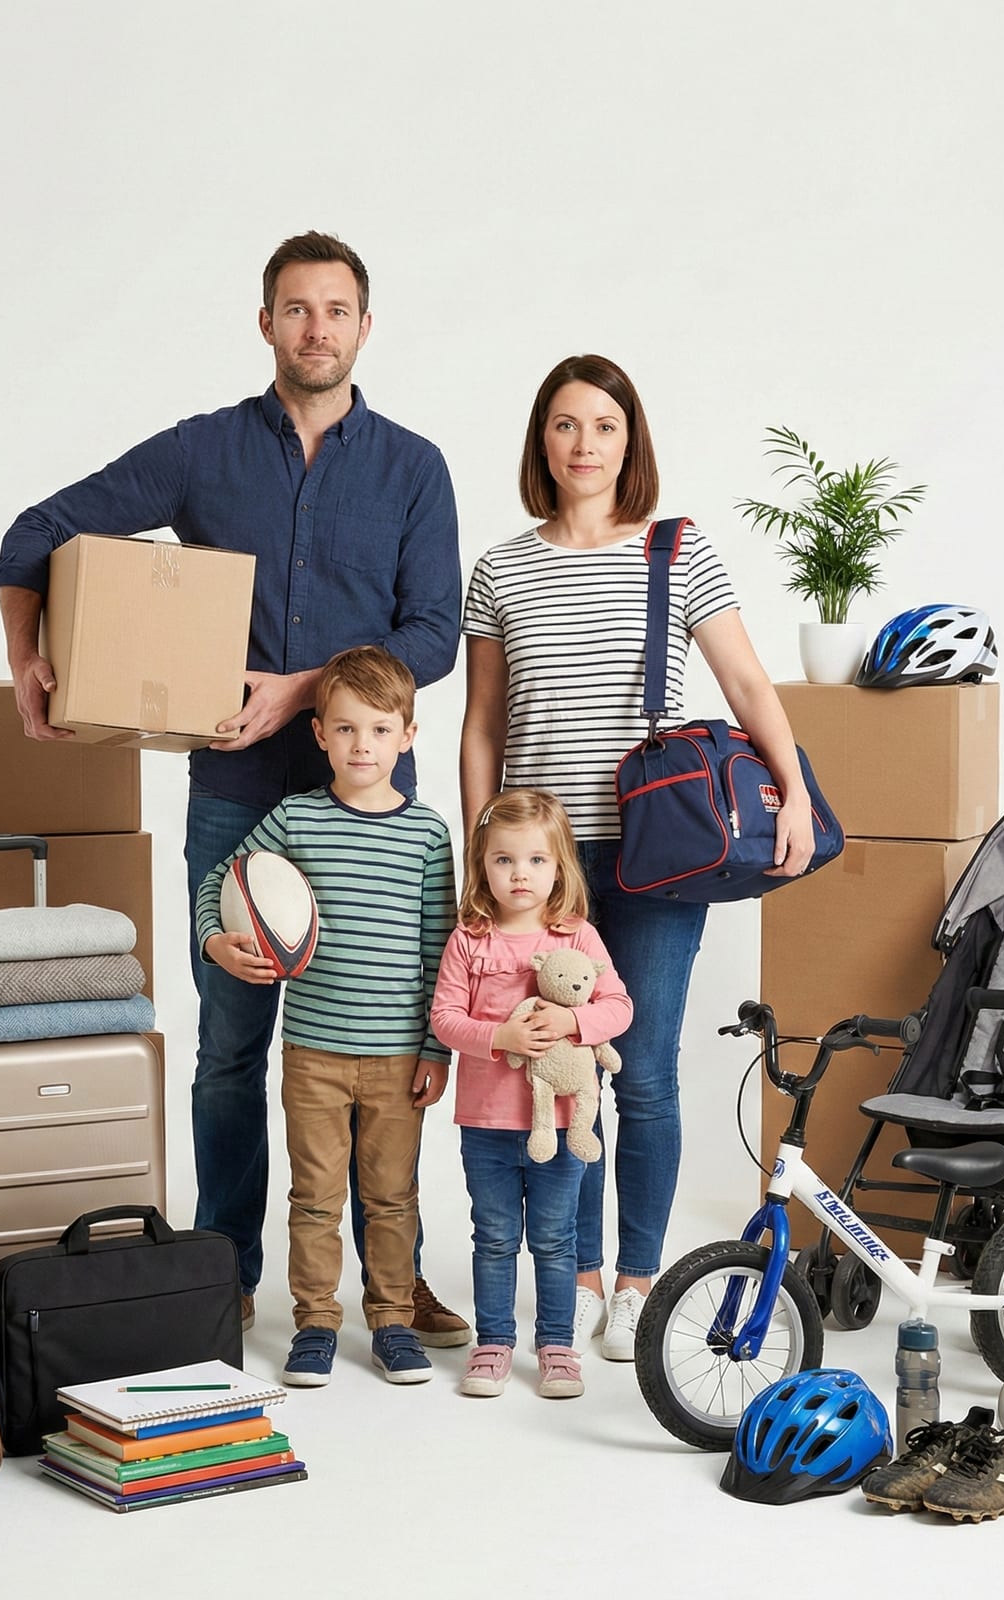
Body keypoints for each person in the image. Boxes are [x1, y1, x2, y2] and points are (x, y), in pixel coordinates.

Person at [0, 231, 469, 1342]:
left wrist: (306, 689)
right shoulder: (204, 452)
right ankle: (227, 1271)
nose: (316, 328)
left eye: (337, 309)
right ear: (266, 324)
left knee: (382, 1045)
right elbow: (34, 534)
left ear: (364, 325)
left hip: (374, 805)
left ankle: (389, 1281)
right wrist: (31, 658)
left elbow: (433, 632)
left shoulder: (414, 468)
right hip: (238, 798)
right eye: (296, 309)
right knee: (233, 1045)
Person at [459, 353, 814, 1360]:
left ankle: (636, 1280)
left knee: (643, 1068)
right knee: (561, 1071)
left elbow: (744, 681)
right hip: (537, 868)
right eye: (564, 425)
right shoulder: (500, 568)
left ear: (630, 439)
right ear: (542, 441)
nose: (583, 444)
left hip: (657, 855)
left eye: (603, 426)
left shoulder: (676, 549)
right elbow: (482, 724)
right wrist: (479, 859)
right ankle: (570, 1275)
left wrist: (790, 787)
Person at [195, 647, 456, 1386]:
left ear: (408, 735)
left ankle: (394, 1320)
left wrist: (437, 1050)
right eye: (345, 730)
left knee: (392, 1195)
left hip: (400, 1058)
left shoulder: (428, 835)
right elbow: (224, 875)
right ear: (318, 735)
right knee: (314, 1197)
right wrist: (216, 938)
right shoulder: (296, 819)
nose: (361, 746)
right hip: (312, 1052)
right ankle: (315, 1322)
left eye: (379, 730)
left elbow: (442, 951)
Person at [429, 789, 632, 1400]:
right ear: (482, 865)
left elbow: (619, 1007)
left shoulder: (580, 939)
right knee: (492, 1236)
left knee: (554, 1238)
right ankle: (492, 1343)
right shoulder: (471, 938)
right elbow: (444, 1018)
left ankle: (556, 1347)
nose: (520, 874)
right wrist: (500, 1035)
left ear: (560, 867)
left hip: (567, 1123)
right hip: (487, 1123)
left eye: (537, 861)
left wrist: (574, 1024)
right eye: (504, 860)